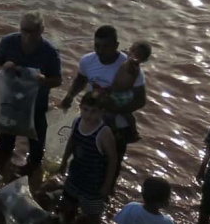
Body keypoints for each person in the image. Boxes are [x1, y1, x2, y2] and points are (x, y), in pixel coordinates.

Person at [61, 25, 146, 179]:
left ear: (116, 46)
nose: (100, 51)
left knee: (112, 162)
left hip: (117, 126)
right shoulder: (87, 60)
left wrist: (114, 108)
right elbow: (81, 79)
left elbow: (140, 100)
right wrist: (69, 96)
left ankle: (105, 193)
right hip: (91, 120)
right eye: (97, 46)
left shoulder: (129, 67)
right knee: (83, 156)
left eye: (106, 47)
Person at [0, 11, 62, 174]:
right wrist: (3, 68)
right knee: (4, 147)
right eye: (24, 30)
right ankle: (1, 175)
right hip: (10, 104)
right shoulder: (8, 42)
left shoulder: (50, 51)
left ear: (41, 30)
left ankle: (31, 176)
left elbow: (58, 80)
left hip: (36, 106)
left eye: (32, 31)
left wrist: (44, 80)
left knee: (37, 150)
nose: (27, 35)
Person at [59, 92, 117, 224]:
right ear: (80, 108)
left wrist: (107, 185)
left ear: (101, 112)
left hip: (93, 184)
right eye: (85, 110)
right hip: (75, 174)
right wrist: (64, 161)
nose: (88, 115)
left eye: (93, 111)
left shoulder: (104, 132)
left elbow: (113, 160)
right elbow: (72, 141)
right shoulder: (77, 122)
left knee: (92, 215)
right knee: (68, 205)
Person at [109, 41, 152, 142]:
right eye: (132, 50)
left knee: (112, 111)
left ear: (143, 59)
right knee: (127, 114)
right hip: (125, 93)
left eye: (137, 55)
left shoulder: (133, 66)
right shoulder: (127, 61)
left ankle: (122, 132)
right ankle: (133, 132)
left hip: (122, 95)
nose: (133, 55)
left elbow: (127, 79)